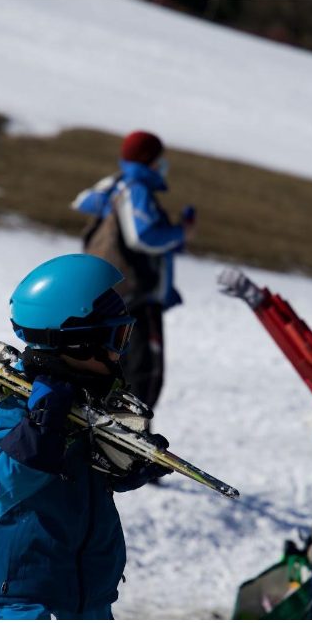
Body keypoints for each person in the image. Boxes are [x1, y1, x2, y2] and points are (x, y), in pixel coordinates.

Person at [0, 254, 171, 620]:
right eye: (116, 337)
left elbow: (88, 478)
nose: (119, 351)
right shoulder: (15, 407)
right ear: (78, 343)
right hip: (30, 598)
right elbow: (2, 482)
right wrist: (43, 426)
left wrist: (127, 466)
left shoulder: (91, 403)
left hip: (90, 595)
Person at [71, 131, 195, 413]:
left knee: (112, 366)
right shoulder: (135, 188)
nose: (163, 165)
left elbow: (82, 201)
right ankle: (131, 433)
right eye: (159, 159)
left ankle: (108, 425)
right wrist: (180, 232)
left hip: (113, 297)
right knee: (142, 374)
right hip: (137, 298)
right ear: (149, 159)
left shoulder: (116, 183)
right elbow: (143, 236)